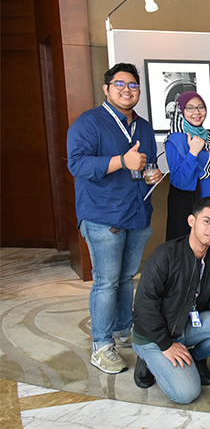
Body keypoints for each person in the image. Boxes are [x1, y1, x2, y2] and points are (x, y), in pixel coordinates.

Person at [67, 62, 163, 374]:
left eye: (133, 85)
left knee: (126, 278)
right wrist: (122, 160)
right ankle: (101, 345)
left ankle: (123, 329)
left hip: (136, 213)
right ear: (107, 89)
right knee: (106, 281)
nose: (127, 90)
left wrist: (151, 175)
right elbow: (78, 165)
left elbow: (143, 164)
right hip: (102, 214)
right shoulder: (89, 123)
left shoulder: (145, 127)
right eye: (120, 84)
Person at [132, 197, 210, 403]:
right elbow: (144, 304)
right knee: (186, 393)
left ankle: (197, 359)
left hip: (184, 326)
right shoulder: (166, 254)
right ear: (192, 221)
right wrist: (165, 345)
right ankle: (146, 358)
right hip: (153, 336)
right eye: (207, 221)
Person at [165, 91, 210, 257]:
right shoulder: (177, 138)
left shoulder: (205, 135)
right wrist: (193, 153)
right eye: (190, 108)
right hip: (199, 203)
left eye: (200, 107)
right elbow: (179, 180)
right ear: (181, 111)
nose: (197, 112)